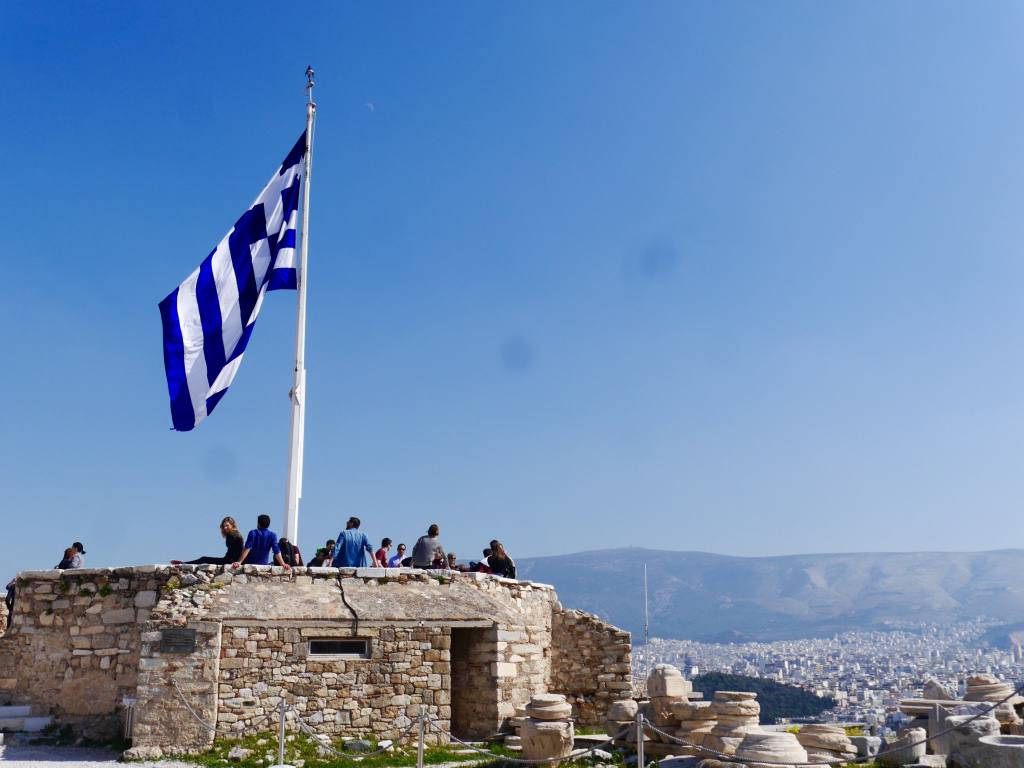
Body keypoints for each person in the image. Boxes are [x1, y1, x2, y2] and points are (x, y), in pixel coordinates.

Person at [172, 517, 244, 565]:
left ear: (232, 525)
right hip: (229, 559)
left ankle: (184, 564)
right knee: (204, 559)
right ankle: (184, 563)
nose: (225, 528)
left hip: (228, 561)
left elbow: (238, 549)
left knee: (204, 559)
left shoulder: (232, 535)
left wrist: (234, 561)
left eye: (227, 525)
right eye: (223, 526)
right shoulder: (236, 533)